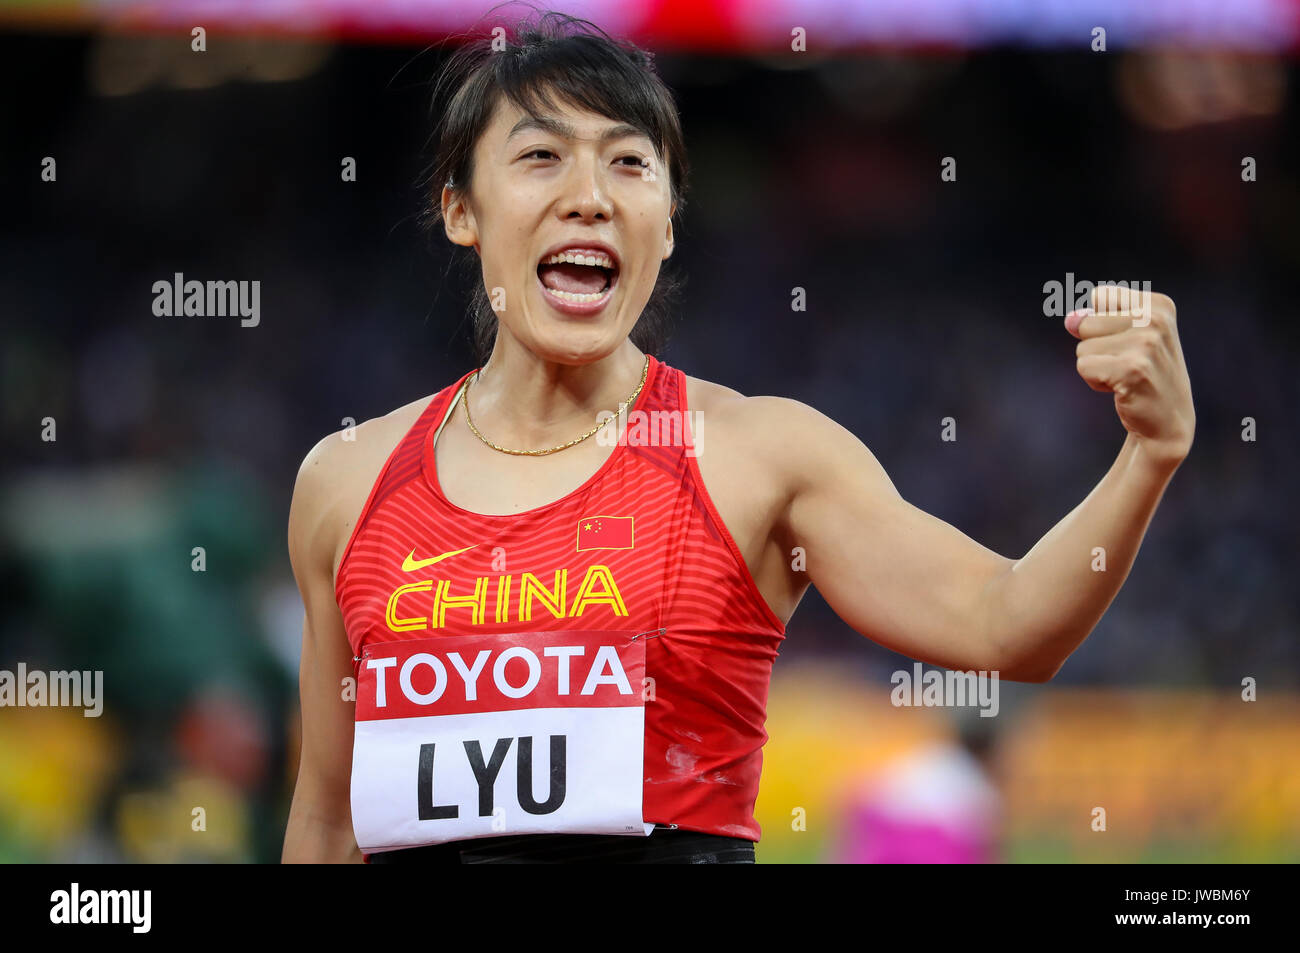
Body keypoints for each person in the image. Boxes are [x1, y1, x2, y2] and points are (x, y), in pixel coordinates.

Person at [281, 11, 1195, 864]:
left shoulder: (759, 456)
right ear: (461, 212)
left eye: (630, 164)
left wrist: (1147, 457)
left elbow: (1008, 624)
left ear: (668, 223)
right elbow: (324, 821)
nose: (590, 197)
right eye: (542, 157)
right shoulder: (348, 482)